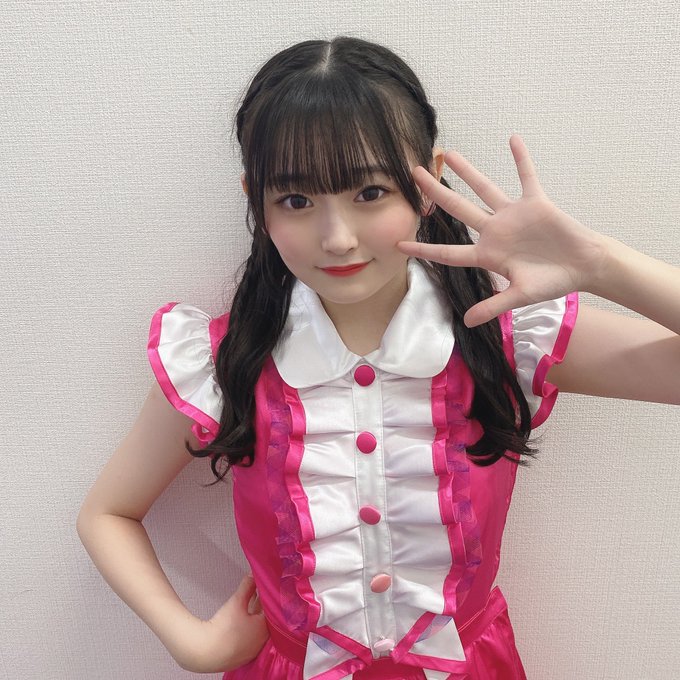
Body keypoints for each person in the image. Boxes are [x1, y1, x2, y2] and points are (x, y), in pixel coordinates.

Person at [76, 35, 680, 680]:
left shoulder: (501, 336)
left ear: (427, 184)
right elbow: (107, 514)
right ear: (257, 199)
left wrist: (599, 263)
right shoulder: (224, 363)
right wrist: (192, 644)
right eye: (296, 201)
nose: (337, 238)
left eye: (369, 192)